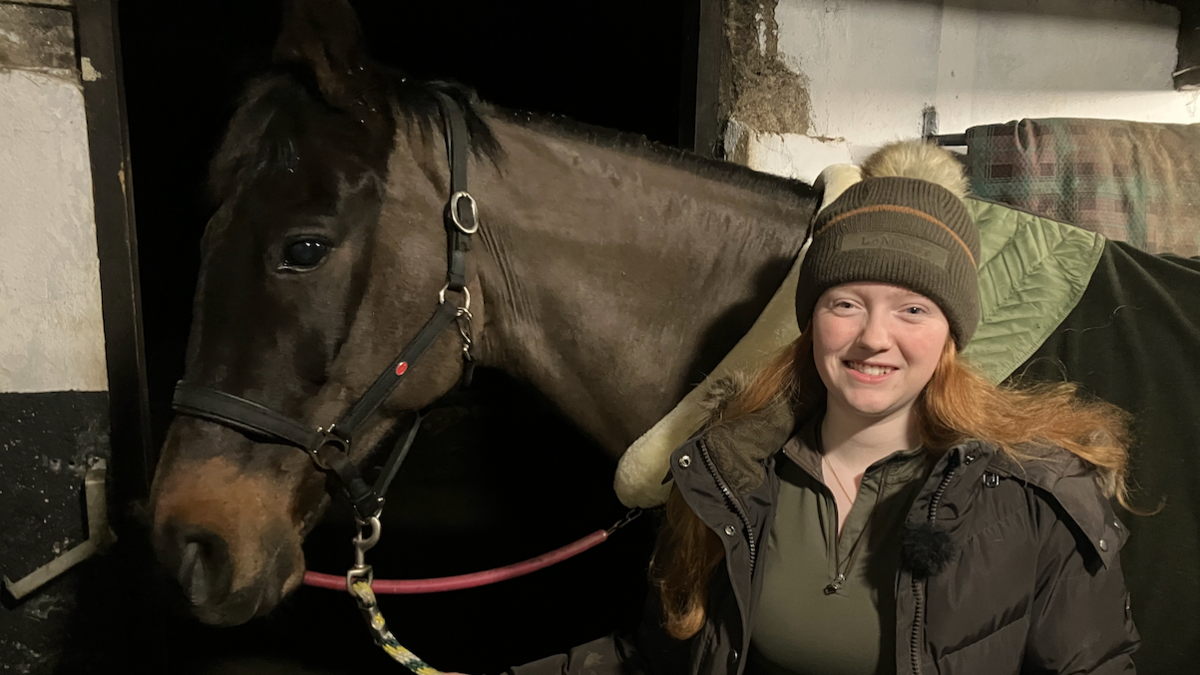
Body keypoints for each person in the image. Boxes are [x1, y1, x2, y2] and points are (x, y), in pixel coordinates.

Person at [505, 141, 1140, 675]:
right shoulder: (728, 472)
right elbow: (657, 658)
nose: (873, 337)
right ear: (812, 324)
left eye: (912, 309)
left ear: (951, 334)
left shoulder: (1037, 494)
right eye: (846, 303)